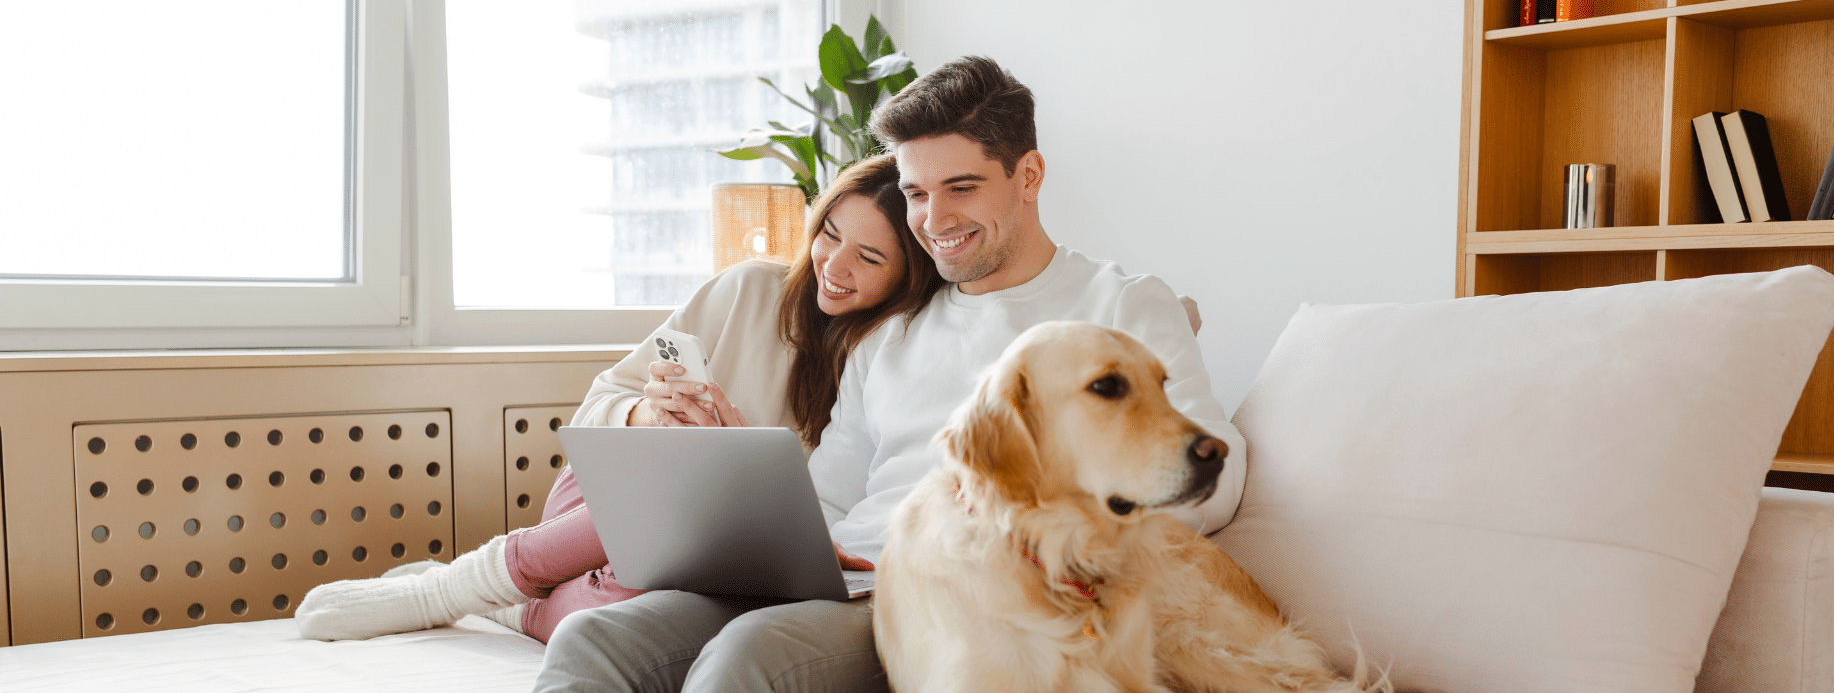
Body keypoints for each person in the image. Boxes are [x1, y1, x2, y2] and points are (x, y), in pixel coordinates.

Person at [532, 55, 1246, 693]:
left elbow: (1214, 472)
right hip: (844, 578)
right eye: (916, 192)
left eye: (960, 187)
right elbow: (833, 498)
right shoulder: (895, 331)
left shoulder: (1120, 305)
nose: (933, 219)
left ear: (1027, 175)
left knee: (751, 657)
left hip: (963, 596)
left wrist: (1034, 517)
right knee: (596, 638)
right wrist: (754, 503)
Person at [291, 154, 942, 643]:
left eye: (868, 257)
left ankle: (510, 603)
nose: (833, 265)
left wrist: (739, 457)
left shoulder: (891, 359)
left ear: (908, 276)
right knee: (673, 480)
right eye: (829, 233)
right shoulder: (747, 291)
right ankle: (446, 588)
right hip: (599, 501)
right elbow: (598, 406)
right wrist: (646, 415)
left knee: (636, 618)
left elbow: (811, 527)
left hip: (696, 554)